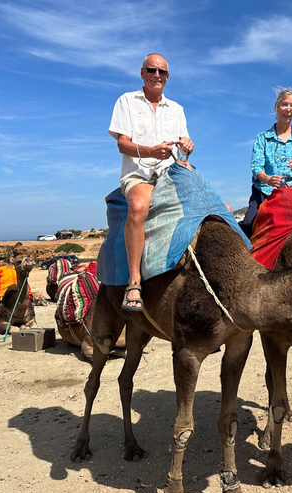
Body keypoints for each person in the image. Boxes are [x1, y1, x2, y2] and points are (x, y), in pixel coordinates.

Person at [109, 53, 194, 311]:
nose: (157, 75)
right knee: (137, 207)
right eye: (152, 70)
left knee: (214, 204)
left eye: (162, 72)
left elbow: (184, 146)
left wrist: (188, 147)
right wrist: (150, 151)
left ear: (167, 77)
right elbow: (122, 144)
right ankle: (134, 280)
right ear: (142, 72)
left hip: (171, 171)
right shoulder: (126, 101)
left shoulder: (177, 109)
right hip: (139, 172)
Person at [238, 88, 292, 238]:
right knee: (248, 223)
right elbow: (256, 167)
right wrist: (269, 180)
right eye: (285, 104)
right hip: (265, 191)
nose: (288, 109)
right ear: (277, 106)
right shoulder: (262, 138)